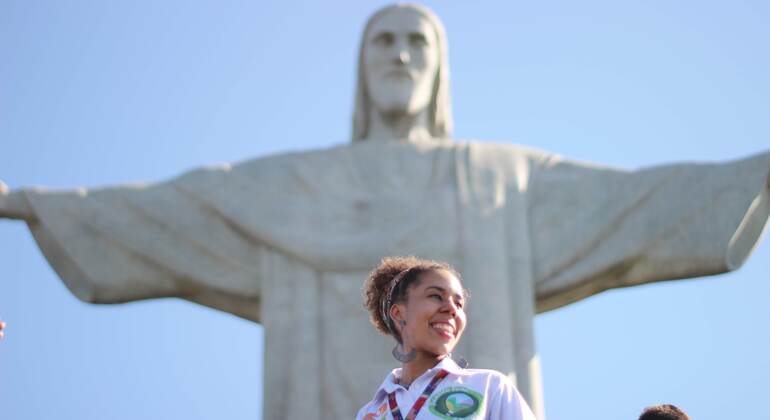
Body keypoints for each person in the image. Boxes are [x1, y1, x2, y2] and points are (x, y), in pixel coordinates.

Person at [0, 3, 768, 419]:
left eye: (416, 43)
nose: (399, 56)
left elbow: (637, 201)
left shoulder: (496, 177)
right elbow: (173, 211)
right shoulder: (293, 183)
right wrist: (25, 202)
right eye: (383, 42)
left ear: (438, 70)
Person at [356, 256, 537, 420]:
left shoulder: (490, 387)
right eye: (436, 296)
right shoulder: (369, 413)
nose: (452, 309)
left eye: (459, 304)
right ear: (398, 313)